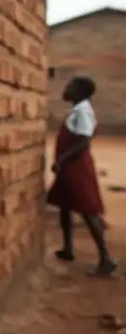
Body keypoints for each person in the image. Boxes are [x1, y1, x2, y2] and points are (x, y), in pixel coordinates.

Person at [47, 76, 117, 276]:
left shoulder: (83, 111)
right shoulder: (77, 109)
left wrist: (62, 160)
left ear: (80, 92)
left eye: (70, 86)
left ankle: (106, 258)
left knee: (88, 209)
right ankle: (68, 248)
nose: (66, 88)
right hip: (69, 167)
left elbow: (83, 140)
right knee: (65, 206)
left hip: (76, 167)